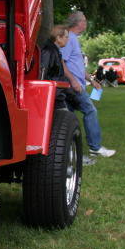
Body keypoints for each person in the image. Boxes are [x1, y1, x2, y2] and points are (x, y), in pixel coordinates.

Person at [60, 11, 116, 158]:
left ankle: (67, 150)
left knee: (69, 117)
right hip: (73, 86)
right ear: (79, 23)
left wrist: (91, 80)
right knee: (90, 111)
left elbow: (78, 66)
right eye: (84, 21)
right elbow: (62, 62)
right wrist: (73, 81)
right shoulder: (69, 39)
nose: (86, 23)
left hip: (76, 84)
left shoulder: (74, 39)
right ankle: (95, 147)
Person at [41, 25, 96, 166]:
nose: (67, 39)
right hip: (55, 97)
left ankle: (71, 158)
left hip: (59, 95)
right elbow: (44, 74)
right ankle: (74, 159)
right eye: (65, 37)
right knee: (66, 129)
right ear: (58, 38)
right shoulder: (49, 52)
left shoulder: (54, 51)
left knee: (66, 127)